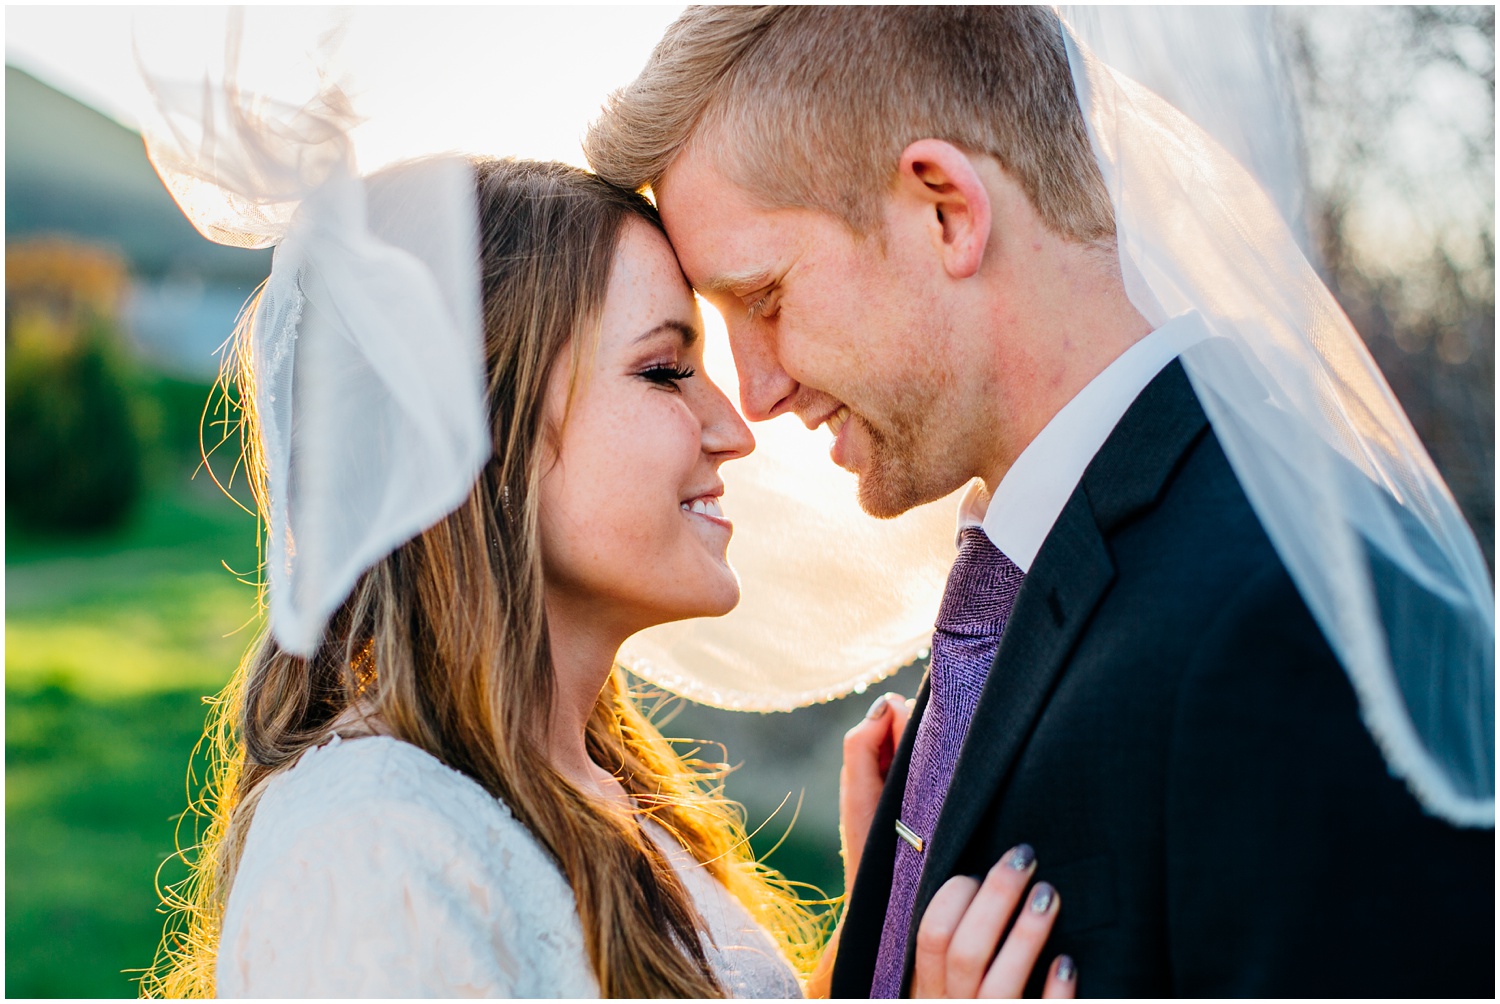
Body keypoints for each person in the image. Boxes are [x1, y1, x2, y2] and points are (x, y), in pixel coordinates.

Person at [584, 5, 1496, 997]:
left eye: (763, 299)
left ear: (948, 210)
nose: (754, 393)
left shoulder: (1282, 614)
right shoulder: (1027, 584)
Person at [133, 65, 1077, 990]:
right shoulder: (372, 851)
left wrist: (882, 914)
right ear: (479, 436)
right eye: (666, 370)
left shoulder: (607, 788)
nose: (735, 429)